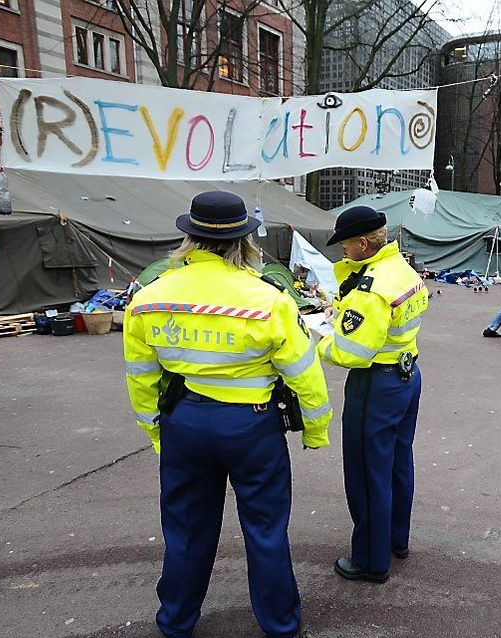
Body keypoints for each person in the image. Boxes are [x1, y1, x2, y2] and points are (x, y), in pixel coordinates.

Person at [123, 191, 332, 638]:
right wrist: (315, 427)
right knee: (265, 530)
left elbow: (141, 376)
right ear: (245, 241)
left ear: (189, 238)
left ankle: (176, 621)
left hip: (185, 425)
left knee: (184, 530)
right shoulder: (269, 299)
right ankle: (280, 624)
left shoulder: (149, 298)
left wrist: (154, 428)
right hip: (252, 426)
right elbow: (304, 373)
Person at [315, 205, 428, 584]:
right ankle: (396, 539)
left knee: (366, 473)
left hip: (375, 384)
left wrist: (319, 341)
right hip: (406, 373)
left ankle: (369, 558)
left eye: (345, 245)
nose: (343, 252)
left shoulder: (370, 288)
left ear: (363, 243)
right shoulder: (402, 269)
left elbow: (351, 353)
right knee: (397, 463)